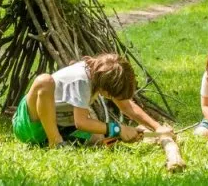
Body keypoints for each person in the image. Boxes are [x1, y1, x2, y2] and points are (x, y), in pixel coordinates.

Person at [12, 53, 172, 148]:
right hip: (30, 125)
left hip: (62, 125)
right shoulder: (81, 80)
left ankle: (57, 139)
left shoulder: (102, 76)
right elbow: (81, 122)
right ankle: (55, 142)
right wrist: (118, 129)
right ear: (106, 88)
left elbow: (127, 106)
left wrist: (157, 128)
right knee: (44, 80)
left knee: (100, 140)